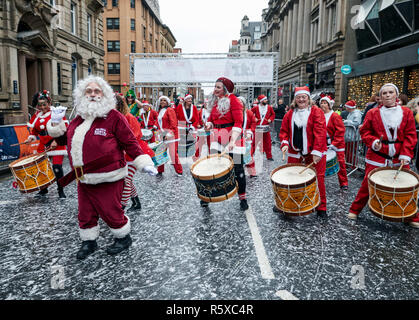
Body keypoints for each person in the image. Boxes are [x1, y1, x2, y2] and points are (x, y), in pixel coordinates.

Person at [46, 75, 157, 259]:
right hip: (83, 178)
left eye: (97, 91)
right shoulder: (78, 119)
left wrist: (143, 162)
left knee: (111, 211)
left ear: (104, 94)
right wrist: (57, 124)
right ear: (82, 94)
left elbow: (130, 142)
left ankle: (123, 237)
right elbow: (65, 140)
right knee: (85, 212)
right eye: (88, 91)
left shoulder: (114, 117)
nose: (92, 94)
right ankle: (89, 241)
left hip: (109, 176)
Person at [348, 83, 419, 228]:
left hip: (400, 154)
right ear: (380, 97)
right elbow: (365, 131)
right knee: (368, 183)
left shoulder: (406, 113)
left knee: (406, 186)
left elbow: (410, 135)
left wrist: (406, 154)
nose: (387, 95)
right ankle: (355, 209)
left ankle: (411, 216)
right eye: (384, 93)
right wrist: (373, 142)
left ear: (396, 95)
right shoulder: (372, 113)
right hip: (377, 154)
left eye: (390, 92)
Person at [279, 86, 328, 217]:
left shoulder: (316, 112)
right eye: (298, 97)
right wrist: (284, 143)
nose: (301, 99)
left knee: (318, 179)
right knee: (290, 177)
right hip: (294, 151)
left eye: (304, 97)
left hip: (314, 151)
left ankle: (321, 207)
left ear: (308, 98)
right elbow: (284, 131)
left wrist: (317, 151)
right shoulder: (289, 113)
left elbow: (320, 132)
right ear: (295, 99)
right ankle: (287, 203)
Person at [204, 77, 249, 211]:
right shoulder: (215, 102)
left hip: (233, 140)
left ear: (225, 89)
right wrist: (208, 125)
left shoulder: (234, 100)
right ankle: (207, 197)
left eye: (218, 87)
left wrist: (232, 141)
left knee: (238, 169)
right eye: (215, 87)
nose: (215, 89)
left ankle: (242, 197)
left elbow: (238, 122)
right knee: (213, 168)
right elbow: (212, 120)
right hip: (217, 140)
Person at [24, 90, 68, 199]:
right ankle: (43, 189)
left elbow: (64, 129)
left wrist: (56, 141)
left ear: (49, 103)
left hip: (57, 144)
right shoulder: (37, 116)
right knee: (41, 168)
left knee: (57, 167)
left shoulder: (56, 113)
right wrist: (30, 138)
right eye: (40, 105)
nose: (42, 107)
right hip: (43, 145)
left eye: (44, 104)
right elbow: (34, 131)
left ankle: (60, 190)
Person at [115, 94, 155, 212]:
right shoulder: (113, 117)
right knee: (126, 179)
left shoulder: (128, 117)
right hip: (122, 153)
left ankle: (121, 207)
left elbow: (135, 135)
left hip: (133, 153)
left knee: (126, 180)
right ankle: (136, 202)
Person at [320, 95, 348, 190]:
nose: (323, 105)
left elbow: (340, 131)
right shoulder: (320, 115)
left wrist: (334, 143)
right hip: (325, 143)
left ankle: (344, 183)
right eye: (321, 103)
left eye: (325, 103)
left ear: (329, 105)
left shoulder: (335, 115)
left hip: (337, 144)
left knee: (341, 163)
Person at [156, 95, 183, 176]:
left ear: (167, 102)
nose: (162, 102)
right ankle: (160, 170)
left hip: (171, 136)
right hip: (163, 136)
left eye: (164, 100)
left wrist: (169, 134)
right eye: (161, 100)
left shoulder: (170, 110)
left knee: (173, 154)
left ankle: (179, 171)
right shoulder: (160, 110)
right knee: (160, 153)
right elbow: (159, 123)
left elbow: (174, 124)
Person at [251, 95, 275, 161]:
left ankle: (269, 156)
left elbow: (273, 114)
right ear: (261, 101)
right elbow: (250, 113)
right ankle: (250, 156)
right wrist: (254, 118)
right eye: (265, 100)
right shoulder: (256, 108)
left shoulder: (269, 107)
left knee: (268, 143)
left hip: (266, 127)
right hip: (258, 127)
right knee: (254, 143)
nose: (266, 101)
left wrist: (270, 119)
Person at [238, 96, 257, 177]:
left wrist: (250, 131)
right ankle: (237, 172)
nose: (239, 103)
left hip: (246, 136)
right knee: (237, 155)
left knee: (248, 154)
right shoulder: (233, 113)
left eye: (241, 102)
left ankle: (252, 172)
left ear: (244, 104)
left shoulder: (249, 113)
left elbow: (253, 122)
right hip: (237, 137)